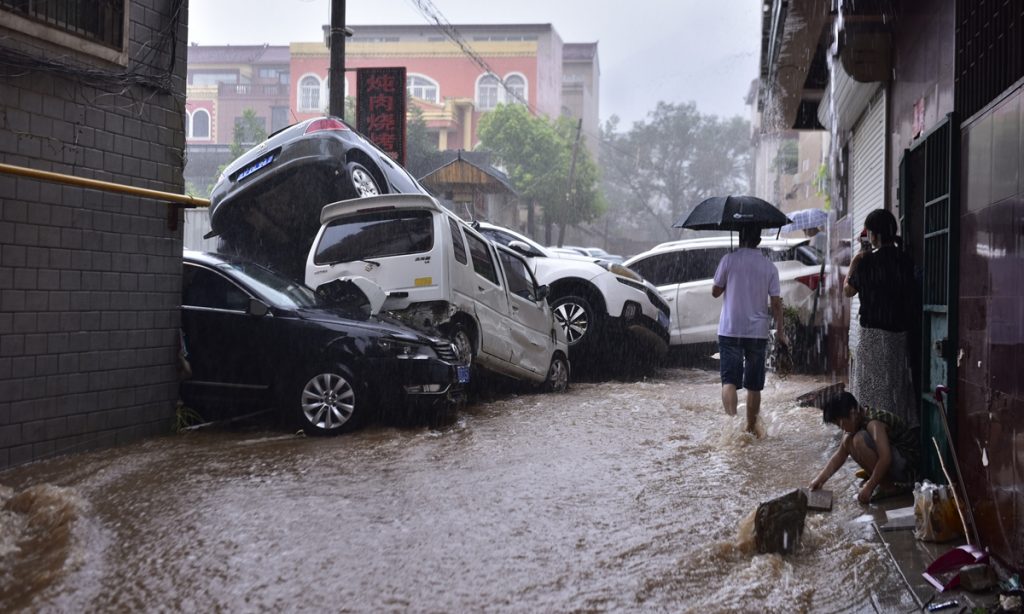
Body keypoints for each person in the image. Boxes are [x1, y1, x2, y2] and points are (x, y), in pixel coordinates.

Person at [711, 225, 789, 435]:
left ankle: (732, 427)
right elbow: (775, 303)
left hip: (730, 329)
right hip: (757, 332)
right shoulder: (769, 266)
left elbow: (715, 292)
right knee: (754, 385)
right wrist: (781, 332)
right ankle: (750, 427)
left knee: (729, 381)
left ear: (739, 238)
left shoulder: (728, 260)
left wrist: (729, 276)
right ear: (758, 241)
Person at [845, 209, 919, 427]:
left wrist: (857, 258)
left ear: (873, 235)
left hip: (871, 337)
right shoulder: (905, 260)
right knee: (895, 389)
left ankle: (874, 438)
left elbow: (848, 291)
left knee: (871, 394)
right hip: (899, 337)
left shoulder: (866, 263)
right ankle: (897, 435)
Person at [809, 391, 920, 504]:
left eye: (841, 425)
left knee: (858, 439)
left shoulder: (874, 423)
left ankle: (889, 487)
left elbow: (886, 458)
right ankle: (881, 481)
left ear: (853, 413)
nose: (842, 429)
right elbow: (839, 455)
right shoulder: (857, 420)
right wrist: (819, 480)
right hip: (897, 464)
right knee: (847, 440)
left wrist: (869, 487)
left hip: (908, 470)